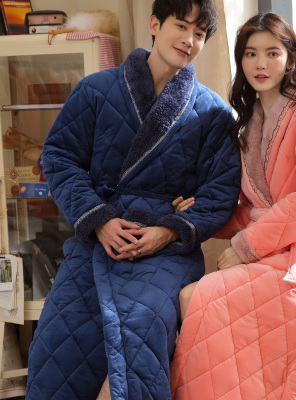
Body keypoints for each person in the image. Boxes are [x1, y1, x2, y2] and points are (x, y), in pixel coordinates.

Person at [25, 1, 241, 399]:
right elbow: (58, 157)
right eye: (181, 26)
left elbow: (221, 191)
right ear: (155, 24)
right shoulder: (96, 90)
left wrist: (170, 230)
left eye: (199, 34)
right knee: (59, 330)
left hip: (165, 251)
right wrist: (99, 219)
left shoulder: (214, 113)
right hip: (99, 238)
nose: (189, 40)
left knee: (143, 324)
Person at [170, 12, 296, 400]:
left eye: (272, 53)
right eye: (250, 54)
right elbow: (253, 207)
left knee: (195, 296)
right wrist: (202, 213)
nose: (260, 64)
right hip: (275, 246)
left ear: (290, 58)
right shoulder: (249, 121)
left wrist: (245, 247)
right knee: (192, 296)